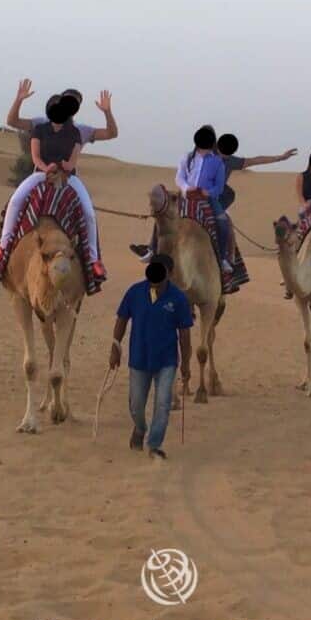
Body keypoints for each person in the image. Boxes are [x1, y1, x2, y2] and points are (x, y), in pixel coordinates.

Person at [0, 91, 107, 279]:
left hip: (68, 177)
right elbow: (35, 155)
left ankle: (94, 261)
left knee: (88, 213)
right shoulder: (40, 127)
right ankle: (2, 248)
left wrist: (62, 168)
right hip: (41, 174)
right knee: (15, 201)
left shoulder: (76, 132)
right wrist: (46, 169)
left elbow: (72, 161)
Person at [109, 252, 193, 459]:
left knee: (163, 403)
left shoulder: (179, 299)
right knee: (136, 404)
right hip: (139, 358)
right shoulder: (135, 292)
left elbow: (184, 334)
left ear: (170, 273)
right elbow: (122, 319)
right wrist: (115, 348)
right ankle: (139, 429)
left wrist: (186, 365)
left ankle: (154, 445)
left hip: (167, 361)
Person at [175, 125, 233, 278]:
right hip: (186, 196)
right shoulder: (186, 158)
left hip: (207, 199)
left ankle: (221, 258)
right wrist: (187, 188)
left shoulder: (218, 163)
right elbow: (179, 177)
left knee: (222, 221)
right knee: (162, 213)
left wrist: (208, 192)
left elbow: (219, 187)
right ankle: (152, 248)